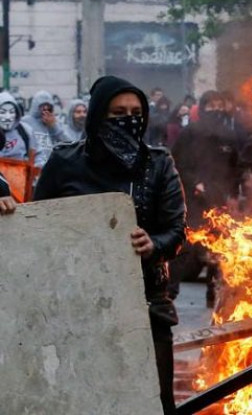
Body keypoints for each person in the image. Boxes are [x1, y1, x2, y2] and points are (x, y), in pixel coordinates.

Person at [33, 75, 185, 415]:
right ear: (98, 114)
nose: (128, 118)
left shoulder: (159, 163)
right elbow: (37, 223)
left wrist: (153, 243)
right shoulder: (64, 162)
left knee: (155, 404)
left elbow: (176, 232)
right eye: (118, 112)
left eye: (135, 111)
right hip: (78, 307)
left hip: (147, 305)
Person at [169, 90, 239, 307]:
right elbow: (177, 162)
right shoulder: (190, 133)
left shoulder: (229, 135)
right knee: (187, 244)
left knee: (219, 249)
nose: (216, 109)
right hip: (194, 200)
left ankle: (213, 291)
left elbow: (235, 167)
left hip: (219, 199)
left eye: (220, 105)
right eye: (211, 105)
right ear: (203, 107)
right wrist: (194, 183)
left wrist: (231, 193)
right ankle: (169, 292)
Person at [20, 90, 69, 168]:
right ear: (35, 106)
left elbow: (68, 144)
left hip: (52, 168)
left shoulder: (56, 122)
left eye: (48, 105)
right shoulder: (25, 122)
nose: (45, 108)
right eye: (42, 105)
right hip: (32, 166)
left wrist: (54, 126)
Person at [0, 90, 34, 160]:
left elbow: (37, 155)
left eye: (11, 112)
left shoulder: (26, 130)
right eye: (3, 112)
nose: (7, 117)